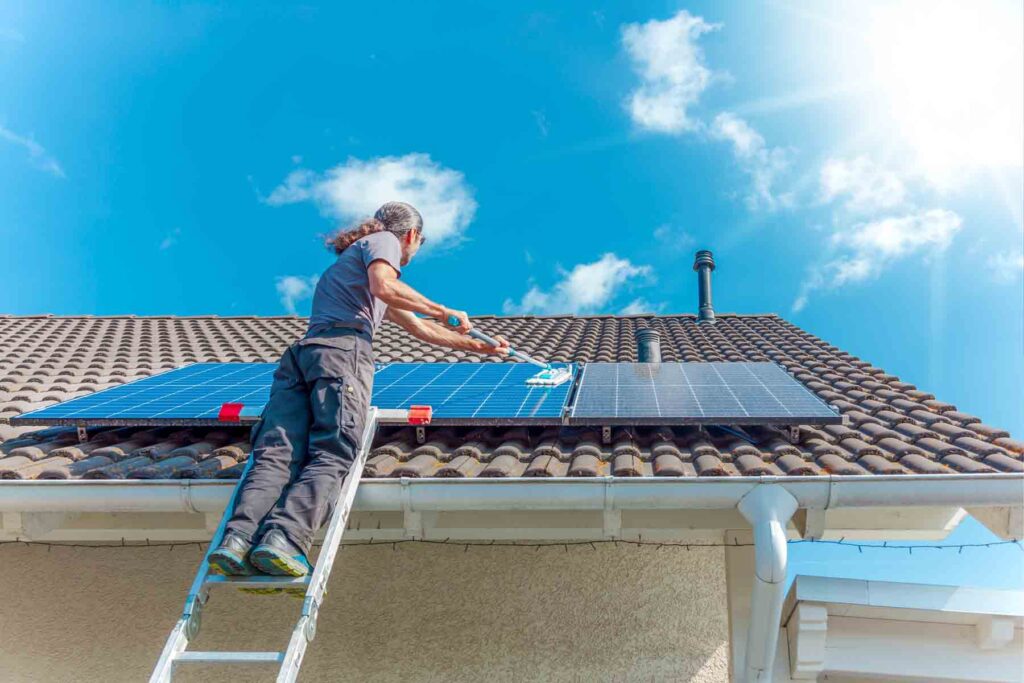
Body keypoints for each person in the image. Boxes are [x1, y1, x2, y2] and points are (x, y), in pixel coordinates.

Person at [208, 201, 510, 576]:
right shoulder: (384, 242)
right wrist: (444, 309)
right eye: (417, 245)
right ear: (411, 235)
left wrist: (479, 346)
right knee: (333, 451)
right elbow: (387, 285)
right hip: (341, 354)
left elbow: (418, 328)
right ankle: (283, 539)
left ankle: (236, 541)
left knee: (277, 454)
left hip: (303, 357)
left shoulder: (350, 266)